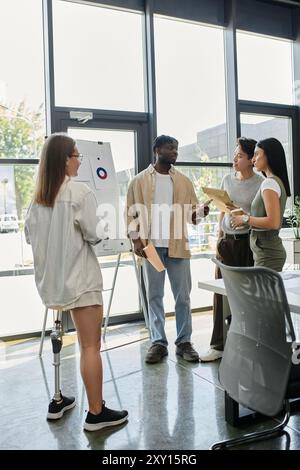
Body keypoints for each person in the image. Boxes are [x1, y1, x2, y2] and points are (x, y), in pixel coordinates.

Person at [25, 133, 128, 431]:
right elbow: (94, 235)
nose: (80, 160)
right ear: (64, 160)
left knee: (61, 340)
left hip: (52, 286)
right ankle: (96, 413)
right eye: (76, 156)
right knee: (90, 347)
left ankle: (57, 400)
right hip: (81, 283)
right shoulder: (79, 193)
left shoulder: (37, 200)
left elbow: (31, 237)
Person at [126, 134, 210, 364]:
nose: (175, 152)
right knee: (154, 296)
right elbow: (131, 214)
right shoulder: (139, 181)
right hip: (151, 247)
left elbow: (192, 216)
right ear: (157, 149)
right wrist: (135, 241)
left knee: (183, 297)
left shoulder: (183, 181)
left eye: (177, 148)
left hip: (177, 246)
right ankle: (158, 342)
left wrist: (201, 212)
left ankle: (184, 342)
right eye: (170, 147)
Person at [200, 137, 263, 362]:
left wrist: (246, 220)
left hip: (247, 243)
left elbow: (260, 215)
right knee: (220, 293)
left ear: (251, 160)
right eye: (234, 155)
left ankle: (246, 343)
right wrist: (219, 237)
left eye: (239, 156)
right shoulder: (227, 179)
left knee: (246, 296)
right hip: (226, 241)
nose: (234, 159)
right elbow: (223, 211)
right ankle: (218, 345)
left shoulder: (261, 183)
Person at [231, 137, 291, 272]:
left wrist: (245, 219)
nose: (253, 159)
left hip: (267, 253)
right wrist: (246, 217)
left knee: (262, 293)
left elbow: (274, 222)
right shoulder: (274, 181)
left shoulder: (269, 183)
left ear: (268, 155)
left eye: (257, 154)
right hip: (265, 251)